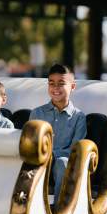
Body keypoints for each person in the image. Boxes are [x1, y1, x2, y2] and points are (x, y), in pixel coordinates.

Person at [29, 63, 87, 206]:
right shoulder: (37, 113)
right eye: (51, 83)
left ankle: (60, 208)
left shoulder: (79, 117)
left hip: (62, 164)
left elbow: (75, 148)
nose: (55, 88)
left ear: (72, 87)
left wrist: (53, 154)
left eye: (61, 83)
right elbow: (31, 142)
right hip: (40, 160)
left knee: (62, 162)